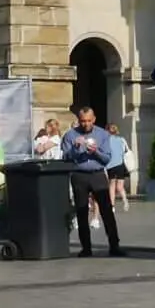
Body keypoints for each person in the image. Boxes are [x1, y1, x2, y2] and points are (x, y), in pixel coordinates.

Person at [61, 106, 123, 257]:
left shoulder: (102, 134)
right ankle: (86, 248)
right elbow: (65, 158)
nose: (86, 124)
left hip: (97, 174)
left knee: (107, 211)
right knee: (82, 211)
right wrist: (76, 147)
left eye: (89, 121)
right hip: (79, 175)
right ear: (78, 120)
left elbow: (107, 158)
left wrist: (95, 151)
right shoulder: (70, 135)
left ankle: (114, 245)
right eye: (83, 121)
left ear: (94, 119)